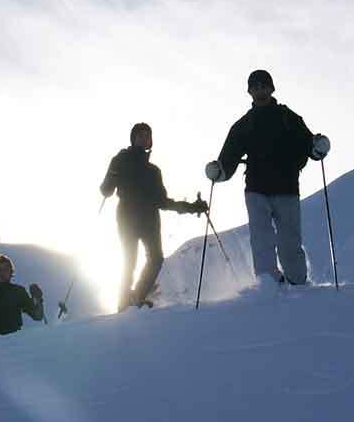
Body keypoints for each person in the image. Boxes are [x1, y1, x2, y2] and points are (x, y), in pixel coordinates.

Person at [205, 70, 327, 286]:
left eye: (264, 86)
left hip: (286, 187)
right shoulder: (245, 124)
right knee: (261, 238)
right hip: (257, 188)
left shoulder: (288, 117)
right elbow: (229, 155)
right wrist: (220, 170)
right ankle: (268, 284)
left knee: (289, 239)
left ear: (271, 89)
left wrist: (316, 146)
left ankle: (297, 281)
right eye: (256, 87)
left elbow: (306, 141)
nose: (260, 90)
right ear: (250, 92)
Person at [101, 123, 207, 311]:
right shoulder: (121, 161)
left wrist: (191, 207)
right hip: (128, 216)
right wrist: (113, 170)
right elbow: (106, 189)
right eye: (139, 135)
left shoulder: (153, 171)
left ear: (151, 140)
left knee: (156, 258)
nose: (143, 138)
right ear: (133, 139)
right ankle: (125, 303)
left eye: (146, 135)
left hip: (149, 218)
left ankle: (135, 298)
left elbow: (162, 201)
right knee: (130, 260)